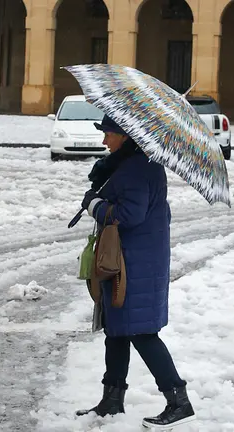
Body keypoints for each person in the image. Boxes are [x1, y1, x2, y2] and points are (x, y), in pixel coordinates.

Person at [76, 116, 196, 429]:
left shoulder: (137, 168)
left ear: (126, 137)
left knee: (141, 332)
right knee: (116, 329)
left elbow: (129, 214)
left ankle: (178, 401)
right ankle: (112, 400)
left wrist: (95, 206)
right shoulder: (132, 163)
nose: (105, 141)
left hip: (135, 262)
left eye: (109, 135)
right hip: (128, 258)